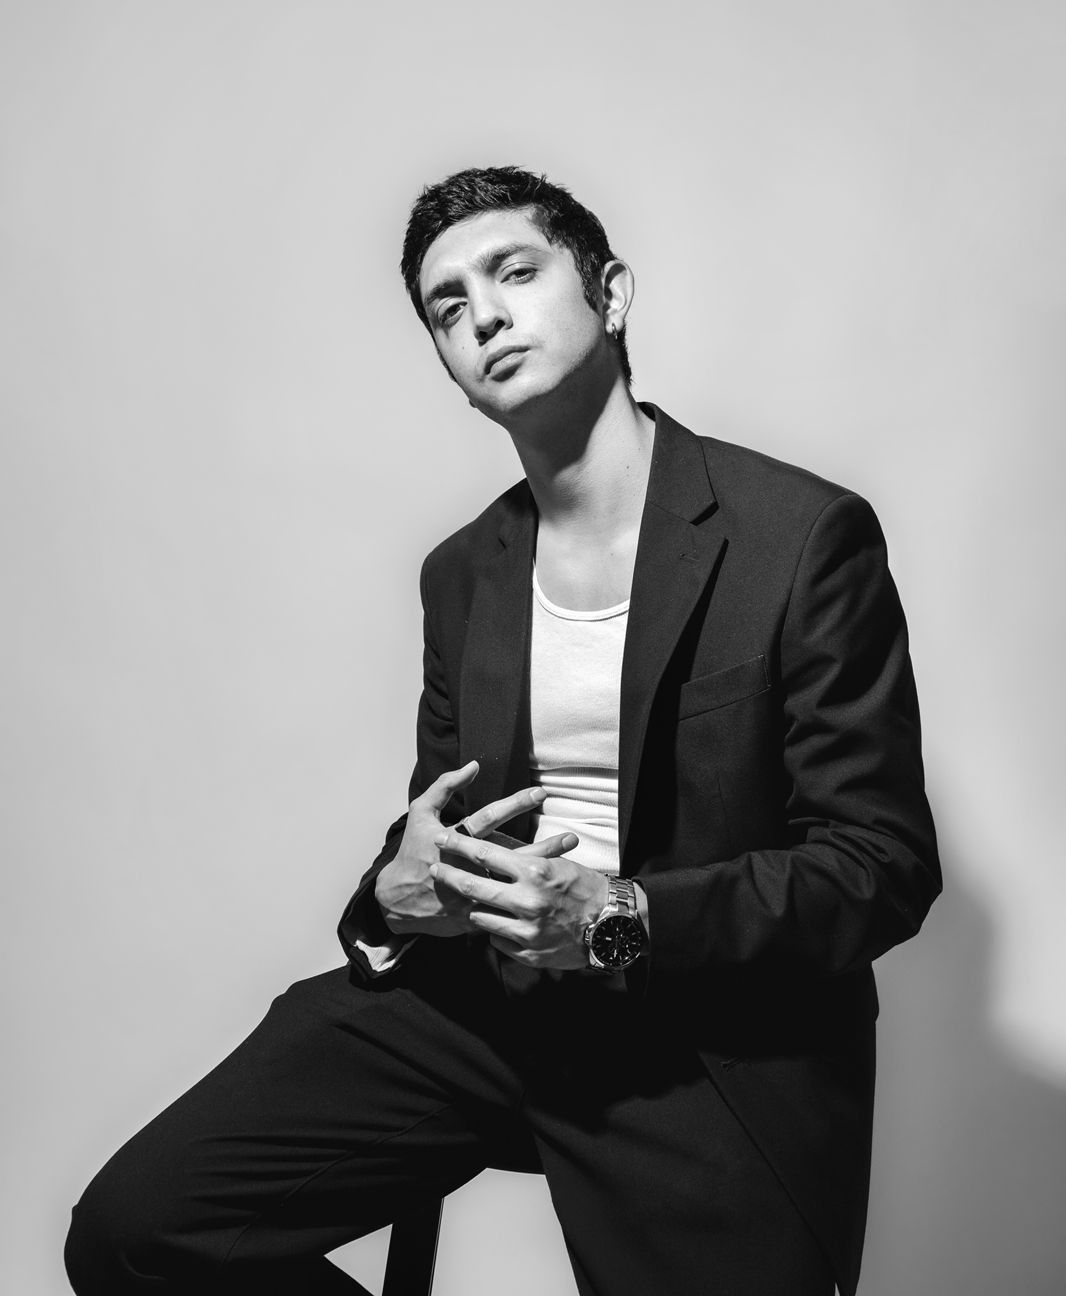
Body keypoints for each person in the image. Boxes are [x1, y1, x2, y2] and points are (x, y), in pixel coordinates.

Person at [65, 165, 941, 1296]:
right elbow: (447, 820)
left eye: (514, 272)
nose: (482, 315)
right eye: (448, 306)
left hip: (706, 1036)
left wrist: (617, 918)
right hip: (486, 1005)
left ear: (611, 295)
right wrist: (394, 894)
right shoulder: (461, 573)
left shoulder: (801, 534)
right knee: (135, 1234)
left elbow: (879, 864)